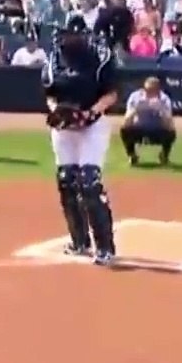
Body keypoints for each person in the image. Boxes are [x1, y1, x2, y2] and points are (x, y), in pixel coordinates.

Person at [42, 14, 120, 265]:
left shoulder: (99, 58)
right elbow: (50, 94)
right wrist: (57, 110)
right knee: (66, 180)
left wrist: (90, 113)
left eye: (69, 34)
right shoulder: (55, 59)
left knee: (89, 182)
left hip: (92, 126)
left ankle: (105, 246)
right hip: (65, 128)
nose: (64, 39)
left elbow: (112, 94)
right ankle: (79, 241)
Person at [119, 76, 176, 166]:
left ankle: (164, 156)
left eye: (152, 90)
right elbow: (126, 121)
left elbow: (170, 125)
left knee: (171, 133)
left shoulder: (164, 99)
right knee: (124, 130)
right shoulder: (135, 97)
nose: (149, 93)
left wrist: (161, 110)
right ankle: (132, 156)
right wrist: (136, 109)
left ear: (158, 90)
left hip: (157, 130)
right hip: (139, 129)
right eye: (147, 90)